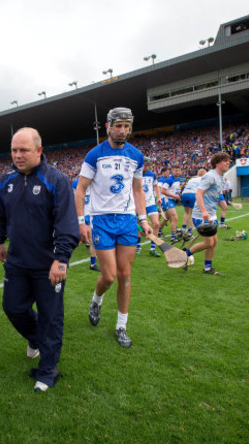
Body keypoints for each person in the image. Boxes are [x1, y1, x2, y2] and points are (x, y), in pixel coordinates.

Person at [0, 127, 79, 392]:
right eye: (14, 150)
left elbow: (67, 223)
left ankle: (47, 371)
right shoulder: (5, 180)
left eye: (24, 150)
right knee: (13, 308)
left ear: (39, 151)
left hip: (48, 264)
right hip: (17, 261)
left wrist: (61, 259)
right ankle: (36, 339)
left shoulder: (56, 180)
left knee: (51, 317)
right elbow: (1, 214)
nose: (17, 156)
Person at [75, 107, 152, 348]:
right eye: (118, 126)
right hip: (102, 221)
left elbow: (138, 190)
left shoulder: (136, 155)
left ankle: (121, 325)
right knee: (108, 276)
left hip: (127, 221)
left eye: (126, 126)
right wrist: (81, 221)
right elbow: (80, 190)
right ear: (108, 126)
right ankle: (96, 300)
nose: (122, 130)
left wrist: (143, 219)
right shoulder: (94, 155)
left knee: (125, 275)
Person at [183, 152, 231, 275]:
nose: (228, 162)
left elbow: (215, 194)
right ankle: (185, 254)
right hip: (201, 214)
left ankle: (207, 268)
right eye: (225, 160)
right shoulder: (210, 176)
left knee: (214, 242)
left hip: (212, 214)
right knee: (208, 242)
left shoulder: (220, 177)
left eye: (229, 160)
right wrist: (204, 211)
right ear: (217, 163)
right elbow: (199, 193)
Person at [71, 177, 101, 270]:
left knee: (93, 241)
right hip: (79, 216)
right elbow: (72, 199)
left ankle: (93, 264)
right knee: (75, 241)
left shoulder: (93, 183)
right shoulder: (76, 184)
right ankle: (62, 259)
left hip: (89, 215)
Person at [139, 157, 162, 256]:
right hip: (139, 204)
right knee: (139, 226)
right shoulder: (135, 174)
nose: (147, 167)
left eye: (149, 165)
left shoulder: (152, 174)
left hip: (151, 203)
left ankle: (153, 248)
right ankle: (138, 246)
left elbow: (156, 186)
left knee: (156, 224)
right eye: (145, 165)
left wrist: (158, 197)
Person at [180, 169, 206, 240]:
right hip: (193, 194)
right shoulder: (203, 179)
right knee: (193, 214)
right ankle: (189, 232)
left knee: (187, 212)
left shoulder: (192, 179)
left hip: (184, 194)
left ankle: (182, 229)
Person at [159, 164, 182, 243]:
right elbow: (163, 191)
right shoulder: (169, 179)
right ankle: (173, 237)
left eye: (179, 170)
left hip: (171, 200)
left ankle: (159, 230)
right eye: (176, 170)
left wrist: (177, 195)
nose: (177, 172)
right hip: (166, 199)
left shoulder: (178, 179)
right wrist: (175, 196)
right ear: (172, 171)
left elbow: (174, 190)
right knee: (174, 218)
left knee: (167, 217)